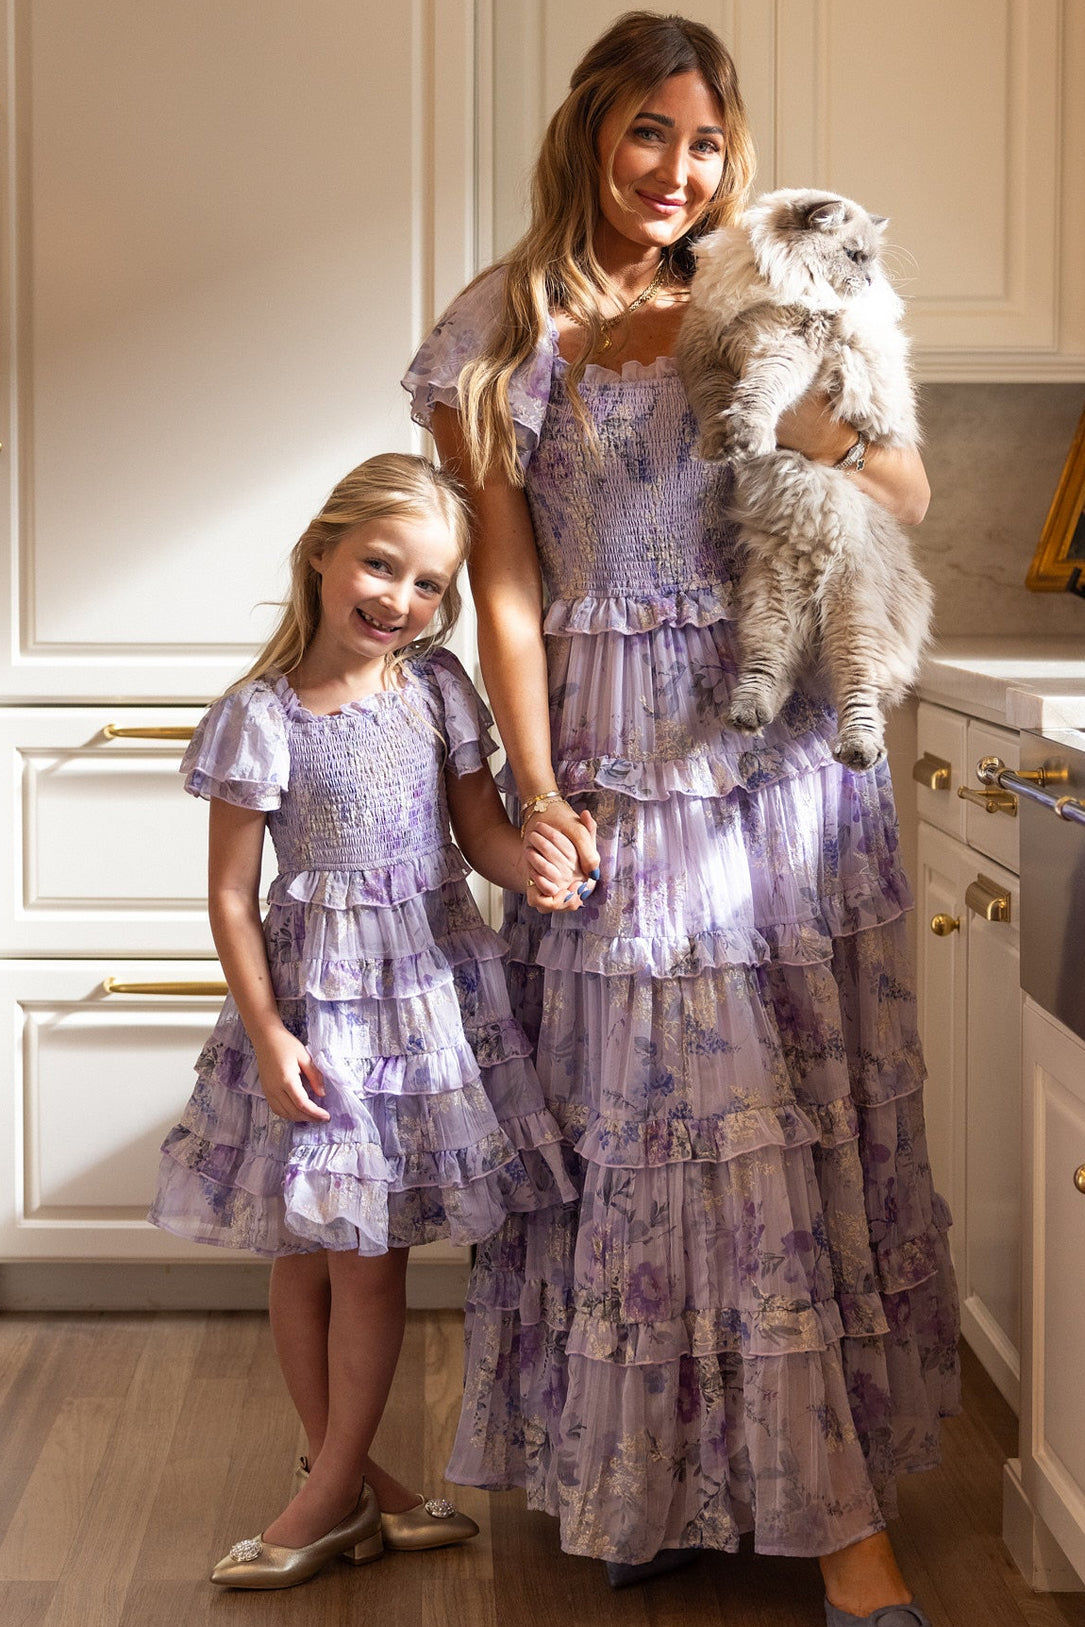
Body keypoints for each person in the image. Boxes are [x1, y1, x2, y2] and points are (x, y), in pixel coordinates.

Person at [402, 13, 958, 1627]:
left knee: (779, 1106)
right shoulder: (498, 327)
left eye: (706, 141)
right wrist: (531, 776)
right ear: (591, 134)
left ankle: (839, 1517)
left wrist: (798, 415)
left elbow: (906, 492)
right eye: (649, 134)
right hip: (610, 757)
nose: (678, 170)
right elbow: (505, 578)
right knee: (643, 1125)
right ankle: (660, 1476)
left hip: (774, 753)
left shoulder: (764, 289)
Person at [148, 452, 594, 1590]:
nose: (401, 599)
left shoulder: (438, 689)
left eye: (429, 584)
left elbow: (477, 836)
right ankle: (344, 1482)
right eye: (380, 566)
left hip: (424, 996)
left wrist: (532, 863)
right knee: (308, 1248)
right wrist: (266, 1032)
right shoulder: (261, 718)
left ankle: (331, 1489)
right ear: (322, 554)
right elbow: (227, 898)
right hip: (311, 1011)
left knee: (369, 1251)